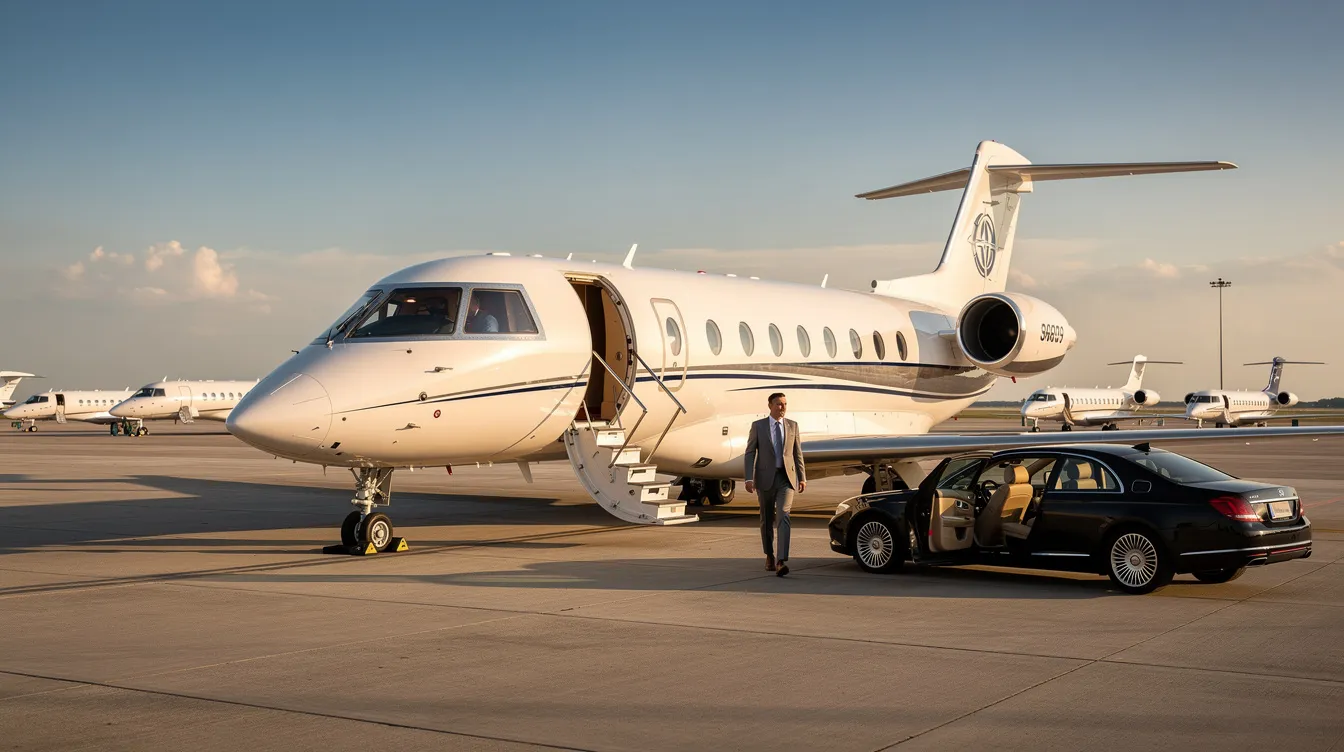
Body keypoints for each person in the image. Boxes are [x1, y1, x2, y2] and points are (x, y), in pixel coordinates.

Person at [744, 392, 805, 576]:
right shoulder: (758, 426)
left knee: (784, 516)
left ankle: (781, 560)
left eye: (785, 404)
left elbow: (797, 453)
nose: (783, 407)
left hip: (786, 478)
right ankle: (769, 554)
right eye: (779, 404)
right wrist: (748, 478)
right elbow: (750, 452)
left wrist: (802, 476)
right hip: (764, 479)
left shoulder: (792, 426)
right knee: (766, 519)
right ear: (770, 405)